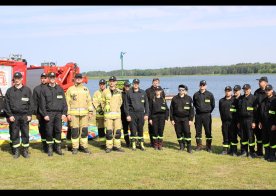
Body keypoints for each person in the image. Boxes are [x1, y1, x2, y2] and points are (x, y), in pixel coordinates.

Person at [4, 72, 34, 158]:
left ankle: (25, 151)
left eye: (18, 78)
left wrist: (29, 115)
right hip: (14, 116)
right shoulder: (9, 91)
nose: (17, 80)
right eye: (15, 78)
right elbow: (6, 104)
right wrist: (10, 115)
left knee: (25, 134)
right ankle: (16, 151)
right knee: (14, 134)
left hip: (25, 116)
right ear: (14, 79)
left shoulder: (27, 90)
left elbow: (31, 104)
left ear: (21, 79)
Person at [39, 72, 68, 156]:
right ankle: (50, 148)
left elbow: (64, 103)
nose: (52, 78)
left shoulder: (60, 89)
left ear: (55, 78)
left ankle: (58, 148)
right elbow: (42, 104)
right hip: (49, 113)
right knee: (49, 132)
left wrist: (64, 113)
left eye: (53, 77)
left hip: (58, 114)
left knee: (58, 131)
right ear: (48, 78)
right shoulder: (44, 89)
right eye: (50, 77)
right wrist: (45, 114)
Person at [66, 73, 93, 154]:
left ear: (82, 79)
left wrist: (90, 111)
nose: (78, 79)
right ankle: (75, 147)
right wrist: (68, 114)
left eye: (80, 78)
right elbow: (67, 103)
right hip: (74, 115)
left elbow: (89, 101)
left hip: (84, 115)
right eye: (77, 78)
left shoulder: (86, 89)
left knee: (84, 131)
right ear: (74, 79)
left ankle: (83, 146)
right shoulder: (70, 89)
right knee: (74, 131)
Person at [124, 78, 149, 151]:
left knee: (140, 129)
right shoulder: (129, 92)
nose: (136, 84)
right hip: (132, 114)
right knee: (133, 129)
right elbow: (126, 105)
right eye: (134, 83)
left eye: (137, 83)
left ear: (139, 84)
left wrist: (146, 114)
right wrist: (127, 115)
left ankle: (141, 144)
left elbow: (146, 105)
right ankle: (133, 144)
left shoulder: (143, 92)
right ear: (133, 84)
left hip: (141, 114)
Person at [102, 76, 124, 153]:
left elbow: (120, 102)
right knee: (109, 132)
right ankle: (109, 147)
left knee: (118, 132)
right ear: (109, 82)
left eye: (113, 81)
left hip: (117, 115)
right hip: (108, 116)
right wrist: (105, 108)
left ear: (116, 82)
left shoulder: (119, 91)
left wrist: (117, 108)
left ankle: (117, 146)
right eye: (110, 81)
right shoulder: (105, 91)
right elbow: (102, 102)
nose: (112, 82)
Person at [170, 84, 194, 153]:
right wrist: (171, 119)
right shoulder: (174, 98)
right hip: (176, 118)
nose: (181, 91)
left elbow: (192, 110)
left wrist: (191, 119)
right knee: (178, 132)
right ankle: (181, 146)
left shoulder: (189, 98)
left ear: (184, 91)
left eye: (182, 90)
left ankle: (189, 147)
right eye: (180, 90)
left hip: (186, 118)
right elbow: (171, 109)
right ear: (178, 90)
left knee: (187, 132)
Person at [193, 80, 215, 152]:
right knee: (198, 131)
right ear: (199, 85)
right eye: (201, 85)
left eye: (203, 85)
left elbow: (213, 105)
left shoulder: (210, 94)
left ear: (206, 86)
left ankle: (208, 147)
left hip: (207, 115)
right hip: (198, 115)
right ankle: (199, 146)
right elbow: (194, 105)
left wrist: (208, 111)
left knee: (208, 131)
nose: (202, 86)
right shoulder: (196, 95)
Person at [237, 84, 257, 158]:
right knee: (243, 137)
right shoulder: (241, 98)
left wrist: (254, 122)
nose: (246, 90)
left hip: (250, 120)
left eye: (247, 89)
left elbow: (256, 112)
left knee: (250, 136)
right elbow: (239, 111)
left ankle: (252, 152)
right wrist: (239, 121)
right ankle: (244, 151)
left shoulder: (254, 98)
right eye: (244, 89)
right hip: (242, 120)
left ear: (250, 89)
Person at [146, 78, 165, 147]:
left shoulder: (161, 90)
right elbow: (146, 102)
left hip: (159, 114)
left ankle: (159, 143)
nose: (156, 83)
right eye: (154, 82)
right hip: (151, 112)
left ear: (159, 83)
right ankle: (152, 142)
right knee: (151, 128)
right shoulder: (148, 91)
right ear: (152, 82)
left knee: (159, 129)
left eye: (157, 82)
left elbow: (163, 100)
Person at [259, 84, 276, 162]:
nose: (267, 91)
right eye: (266, 90)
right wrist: (260, 122)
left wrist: (275, 124)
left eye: (269, 90)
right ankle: (267, 154)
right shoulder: (264, 101)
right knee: (265, 140)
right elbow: (261, 112)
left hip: (272, 124)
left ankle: (272, 156)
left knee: (272, 140)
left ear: (272, 90)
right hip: (264, 124)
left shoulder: (274, 101)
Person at [149, 86, 169, 150]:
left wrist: (166, 118)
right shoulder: (152, 99)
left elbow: (167, 110)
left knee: (160, 131)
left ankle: (160, 145)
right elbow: (149, 110)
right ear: (155, 91)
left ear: (160, 91)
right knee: (155, 131)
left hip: (162, 117)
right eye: (156, 90)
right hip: (154, 117)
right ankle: (155, 144)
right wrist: (150, 119)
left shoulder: (163, 99)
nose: (157, 92)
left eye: (159, 90)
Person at [32, 72, 48, 153]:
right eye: (42, 78)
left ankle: (50, 144)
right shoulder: (36, 89)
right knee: (42, 129)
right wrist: (36, 113)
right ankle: (44, 144)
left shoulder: (51, 88)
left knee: (50, 129)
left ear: (47, 78)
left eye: (45, 78)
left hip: (50, 113)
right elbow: (34, 102)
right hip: (40, 114)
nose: (43, 79)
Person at [219, 86, 237, 155]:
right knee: (225, 136)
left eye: (229, 91)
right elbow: (220, 112)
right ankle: (225, 150)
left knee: (233, 136)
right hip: (224, 122)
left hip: (233, 122)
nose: (227, 92)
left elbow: (237, 112)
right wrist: (222, 121)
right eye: (226, 91)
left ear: (231, 92)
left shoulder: (235, 100)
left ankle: (234, 151)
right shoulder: (221, 101)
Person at [253, 76, 268, 156]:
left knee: (266, 136)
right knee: (258, 135)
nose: (258, 83)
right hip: (257, 117)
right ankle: (259, 152)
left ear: (265, 83)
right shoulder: (256, 92)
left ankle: (268, 152)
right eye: (258, 81)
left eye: (260, 81)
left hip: (266, 118)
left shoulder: (270, 92)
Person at [92, 79, 106, 148]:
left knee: (109, 129)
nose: (102, 85)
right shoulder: (96, 93)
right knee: (101, 129)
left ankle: (109, 143)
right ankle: (102, 143)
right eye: (101, 84)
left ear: (105, 84)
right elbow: (95, 102)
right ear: (99, 85)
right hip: (100, 115)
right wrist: (100, 110)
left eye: (103, 84)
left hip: (108, 115)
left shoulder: (108, 92)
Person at [230, 85, 242, 156]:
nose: (235, 92)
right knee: (233, 136)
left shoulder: (242, 98)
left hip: (240, 121)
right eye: (234, 90)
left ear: (239, 91)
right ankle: (233, 150)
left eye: (236, 90)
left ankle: (243, 150)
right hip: (232, 121)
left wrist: (239, 122)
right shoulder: (232, 99)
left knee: (242, 136)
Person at [121, 81, 131, 147]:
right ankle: (127, 142)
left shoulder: (132, 93)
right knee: (125, 129)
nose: (127, 87)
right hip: (123, 114)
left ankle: (134, 141)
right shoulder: (121, 94)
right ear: (124, 86)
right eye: (126, 86)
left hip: (131, 114)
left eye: (128, 86)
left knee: (133, 128)